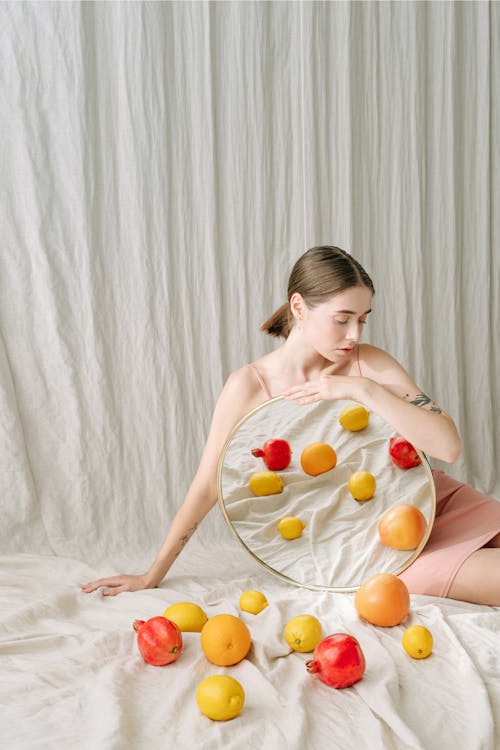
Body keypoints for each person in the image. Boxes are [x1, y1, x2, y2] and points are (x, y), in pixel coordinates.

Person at [81, 246, 500, 605]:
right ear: (299, 307)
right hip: (373, 548)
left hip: (430, 502)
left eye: (363, 319)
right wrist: (153, 572)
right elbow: (208, 485)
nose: (354, 333)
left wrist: (362, 390)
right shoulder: (249, 386)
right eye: (342, 318)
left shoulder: (365, 363)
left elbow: (447, 446)